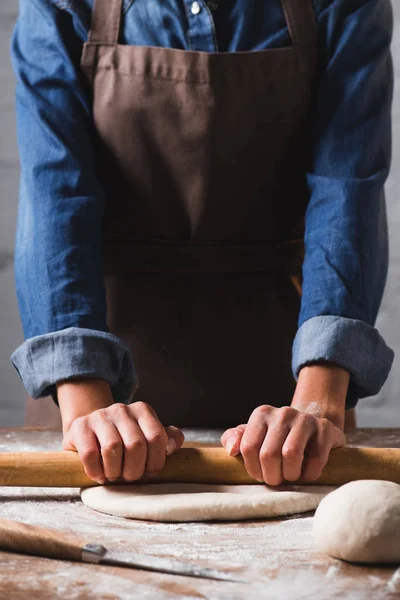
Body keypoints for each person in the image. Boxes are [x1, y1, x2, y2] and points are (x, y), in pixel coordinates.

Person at [10, 0, 394, 487]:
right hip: (90, 376)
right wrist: (87, 409)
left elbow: (347, 188)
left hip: (293, 381)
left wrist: (319, 405)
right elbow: (56, 192)